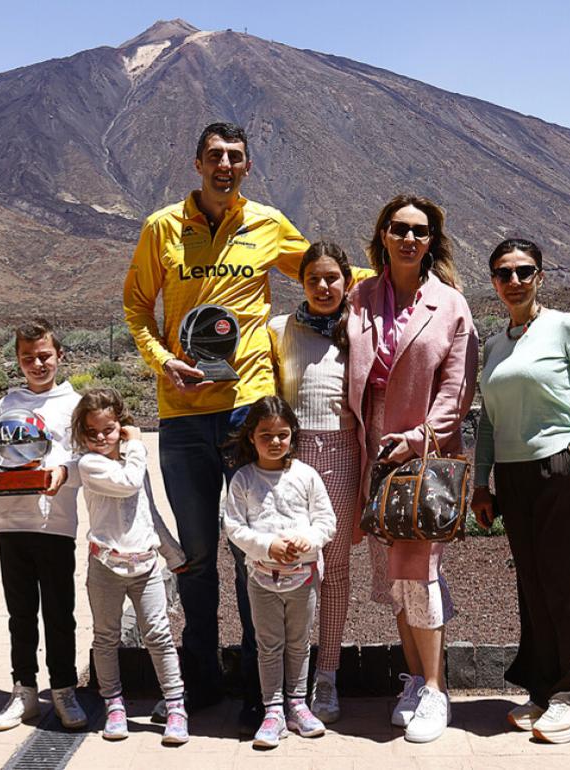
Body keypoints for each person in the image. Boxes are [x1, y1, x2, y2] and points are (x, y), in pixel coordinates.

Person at [123, 122, 310, 730]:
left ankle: (264, 690)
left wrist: (397, 277)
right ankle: (200, 678)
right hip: (181, 414)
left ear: (247, 166)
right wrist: (163, 361)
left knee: (250, 551)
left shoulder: (268, 224)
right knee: (199, 554)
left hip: (245, 411)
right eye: (213, 157)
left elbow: (321, 274)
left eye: (234, 157)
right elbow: (136, 305)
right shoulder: (162, 228)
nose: (223, 166)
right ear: (196, 163)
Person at [346, 194, 478, 744]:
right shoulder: (359, 297)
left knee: (418, 573)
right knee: (393, 580)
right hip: (368, 454)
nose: (408, 239)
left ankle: (434, 687)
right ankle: (415, 681)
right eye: (398, 229)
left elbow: (457, 388)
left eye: (419, 232)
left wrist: (420, 436)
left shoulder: (450, 306)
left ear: (432, 242)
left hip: (419, 458)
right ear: (381, 235)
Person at [470, 238, 570, 744]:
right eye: (503, 273)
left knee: (564, 581)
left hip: (559, 469)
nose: (514, 281)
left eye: (524, 271)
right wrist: (482, 483)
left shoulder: (566, 326)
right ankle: (543, 690)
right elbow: (487, 419)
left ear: (541, 277)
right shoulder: (494, 342)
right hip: (512, 476)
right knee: (531, 583)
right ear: (493, 281)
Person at [266, 241, 359, 723]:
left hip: (343, 454)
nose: (323, 287)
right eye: (313, 280)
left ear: (347, 280)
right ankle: (286, 681)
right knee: (290, 563)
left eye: (332, 279)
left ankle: (327, 676)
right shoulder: (280, 329)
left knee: (336, 569)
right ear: (300, 284)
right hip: (292, 460)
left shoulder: (360, 330)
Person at [0, 318, 88, 732]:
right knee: (20, 613)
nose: (38, 364)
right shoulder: (7, 404)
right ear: (18, 360)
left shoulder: (75, 404)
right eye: (28, 358)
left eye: (44, 355)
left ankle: (63, 691)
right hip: (9, 522)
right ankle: (23, 692)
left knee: (60, 612)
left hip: (55, 523)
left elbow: (84, 457)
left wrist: (64, 472)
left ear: (59, 356)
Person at [71, 388, 190, 745]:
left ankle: (175, 706)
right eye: (91, 432)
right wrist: (136, 442)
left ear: (119, 426)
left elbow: (149, 511)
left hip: (146, 566)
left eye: (108, 429)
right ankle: (114, 704)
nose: (100, 438)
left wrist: (173, 554)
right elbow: (127, 484)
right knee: (106, 637)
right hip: (105, 566)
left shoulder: (133, 463)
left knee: (159, 636)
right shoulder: (89, 464)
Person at [222, 396, 336, 749]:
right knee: (268, 644)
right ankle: (272, 710)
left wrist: (307, 541)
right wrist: (266, 546)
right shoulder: (242, 479)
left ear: (293, 435)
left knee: (299, 644)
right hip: (262, 577)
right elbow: (234, 527)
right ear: (251, 438)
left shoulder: (306, 476)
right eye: (265, 435)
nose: (274, 442)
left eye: (282, 435)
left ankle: (297, 705)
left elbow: (325, 521)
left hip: (303, 579)